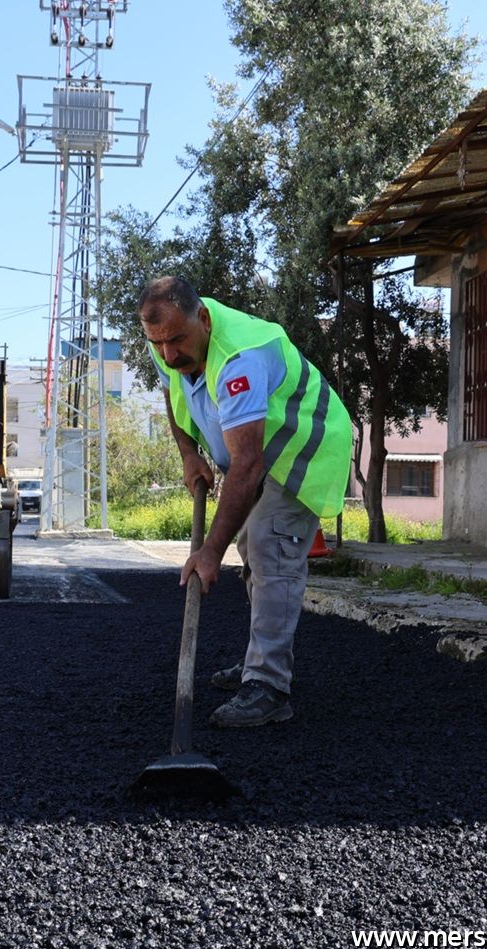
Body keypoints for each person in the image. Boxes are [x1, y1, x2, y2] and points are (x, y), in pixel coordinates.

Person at [139, 276, 352, 727]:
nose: (169, 354)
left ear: (203, 318)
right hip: (255, 455)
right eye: (159, 344)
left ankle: (269, 687)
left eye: (177, 340)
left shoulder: (241, 358)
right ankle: (260, 663)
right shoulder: (166, 340)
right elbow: (172, 392)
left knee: (268, 546)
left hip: (301, 451)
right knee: (253, 552)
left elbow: (248, 463)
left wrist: (208, 551)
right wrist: (188, 454)